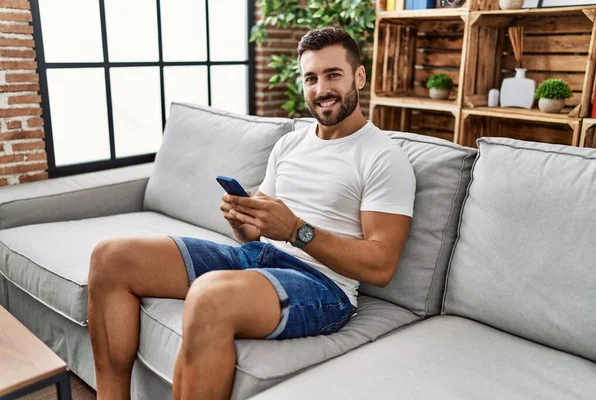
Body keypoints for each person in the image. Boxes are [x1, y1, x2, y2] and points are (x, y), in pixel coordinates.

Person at [87, 26, 415, 400]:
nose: (321, 89)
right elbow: (253, 235)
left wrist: (296, 231)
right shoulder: (290, 144)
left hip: (323, 285)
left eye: (333, 75)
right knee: (110, 257)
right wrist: (242, 220)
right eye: (311, 78)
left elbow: (382, 266)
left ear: (358, 76)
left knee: (210, 296)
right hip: (258, 258)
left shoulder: (383, 156)